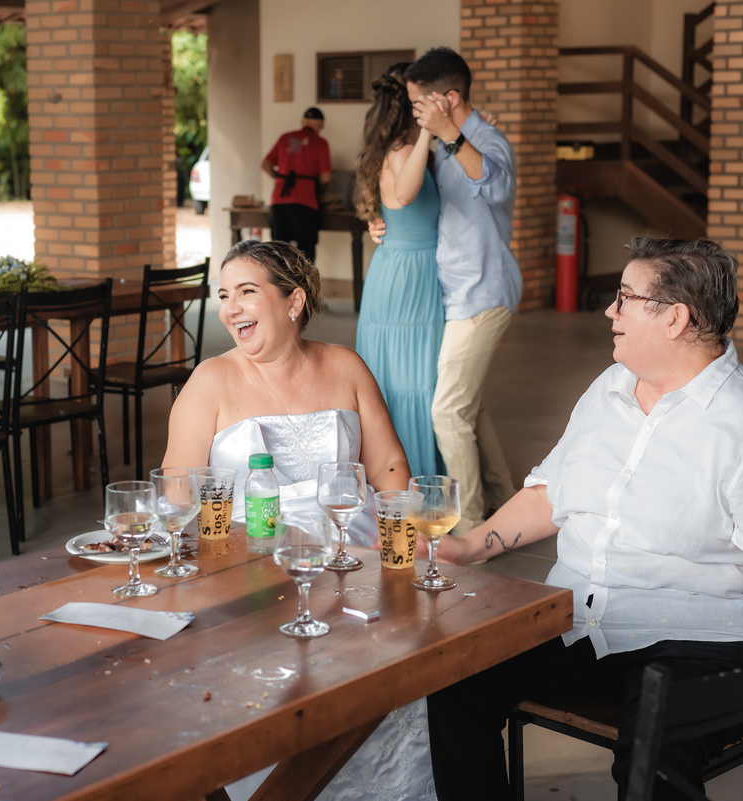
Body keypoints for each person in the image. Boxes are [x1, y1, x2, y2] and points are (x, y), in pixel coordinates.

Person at [426, 238, 743, 801]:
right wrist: (468, 548)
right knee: (454, 679)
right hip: (585, 620)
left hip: (700, 639)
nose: (609, 312)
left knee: (654, 745)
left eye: (624, 298)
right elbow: (554, 492)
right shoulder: (610, 388)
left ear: (674, 318)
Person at [163, 239, 438, 800]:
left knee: (388, 663)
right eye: (223, 295)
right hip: (251, 557)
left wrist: (403, 553)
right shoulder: (210, 382)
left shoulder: (345, 366)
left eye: (246, 292)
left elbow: (388, 469)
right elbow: (177, 490)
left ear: (293, 302)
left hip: (350, 547)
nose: (230, 308)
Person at [372, 46, 520, 534]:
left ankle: (471, 528)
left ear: (448, 98)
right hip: (450, 296)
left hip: (482, 295)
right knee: (469, 405)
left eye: (421, 103)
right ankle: (505, 497)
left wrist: (453, 132)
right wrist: (379, 222)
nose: (415, 112)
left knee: (448, 410)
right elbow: (408, 197)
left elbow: (492, 184)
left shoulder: (486, 141)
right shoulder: (438, 145)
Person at [353, 63, 444, 478]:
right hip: (411, 276)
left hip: (394, 269)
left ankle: (396, 479)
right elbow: (405, 195)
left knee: (401, 382)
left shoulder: (385, 152)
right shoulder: (404, 151)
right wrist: (428, 130)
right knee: (414, 383)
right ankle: (417, 483)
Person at [261, 107, 333, 265]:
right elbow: (326, 177)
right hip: (305, 203)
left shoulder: (285, 138)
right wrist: (315, 186)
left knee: (279, 253)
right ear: (320, 124)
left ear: (303, 122)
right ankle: (305, 289)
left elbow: (265, 164)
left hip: (279, 201)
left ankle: (280, 288)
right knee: (305, 255)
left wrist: (280, 178)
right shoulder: (321, 143)